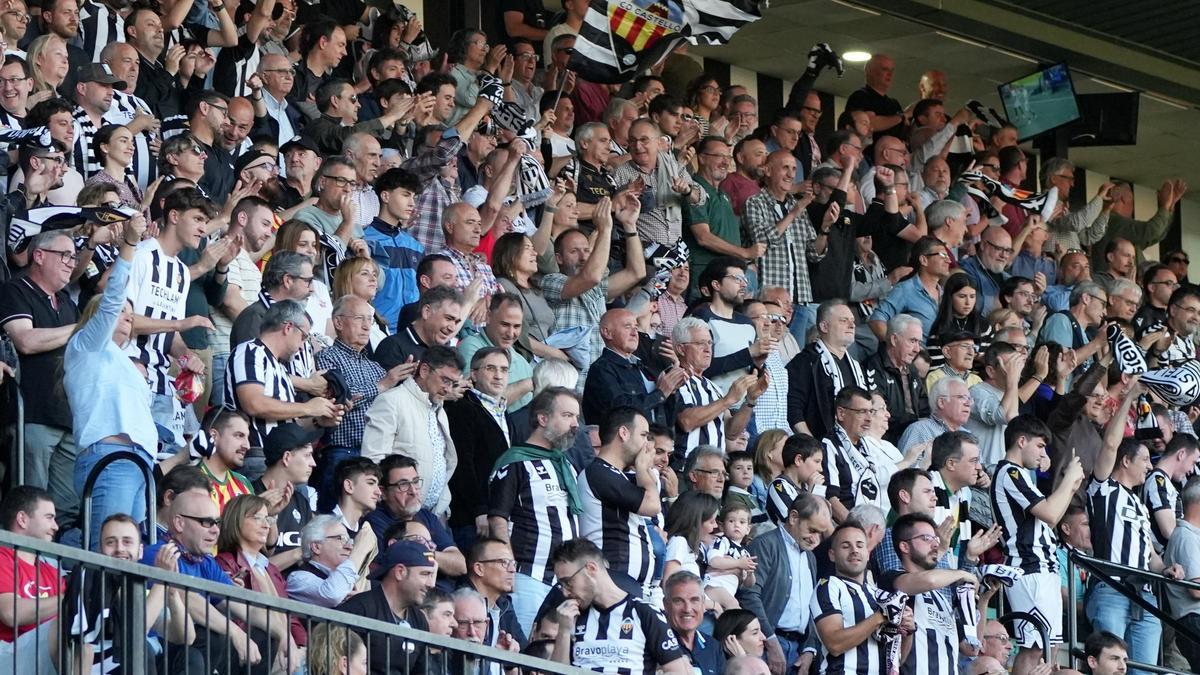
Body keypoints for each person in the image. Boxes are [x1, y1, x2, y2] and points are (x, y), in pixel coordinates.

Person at [1087, 380, 1184, 675]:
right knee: (1109, 668)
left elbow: (1149, 557)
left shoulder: (1140, 504)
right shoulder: (1103, 488)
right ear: (1126, 460)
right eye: (1144, 460)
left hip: (1145, 593)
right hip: (1112, 588)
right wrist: (1130, 397)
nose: (1149, 466)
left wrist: (1166, 568)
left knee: (1144, 670)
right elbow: (1110, 444)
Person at [991, 414, 1084, 673]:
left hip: (1044, 567)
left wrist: (1072, 485)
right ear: (1022, 441)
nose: (1043, 453)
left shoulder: (1020, 474)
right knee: (1034, 647)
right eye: (1040, 446)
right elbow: (1051, 514)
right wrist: (1067, 479)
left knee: (1050, 650)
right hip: (1028, 568)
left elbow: (1049, 521)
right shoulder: (1010, 473)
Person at [0, 230, 80, 524]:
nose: (72, 263)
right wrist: (78, 329)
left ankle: (51, 570)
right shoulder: (15, 290)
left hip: (68, 418)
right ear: (39, 255)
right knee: (30, 505)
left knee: (65, 513)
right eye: (65, 255)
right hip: (32, 415)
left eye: (74, 256)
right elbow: (25, 341)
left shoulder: (67, 303)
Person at [489, 386, 582, 634]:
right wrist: (506, 566)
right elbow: (498, 518)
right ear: (543, 419)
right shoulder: (516, 462)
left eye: (576, 417)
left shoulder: (566, 466)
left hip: (565, 581)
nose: (575, 424)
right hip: (529, 576)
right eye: (567, 416)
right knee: (529, 648)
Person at [141, 488, 262, 671]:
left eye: (217, 523)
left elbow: (244, 607)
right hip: (158, 650)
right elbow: (186, 597)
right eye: (207, 522)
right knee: (211, 637)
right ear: (180, 523)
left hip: (186, 648)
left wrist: (285, 635)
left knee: (264, 635)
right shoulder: (160, 554)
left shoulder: (206, 561)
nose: (215, 531)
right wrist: (236, 632)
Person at [62, 513, 195, 674]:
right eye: (111, 542)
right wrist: (162, 580)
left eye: (127, 542)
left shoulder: (141, 594)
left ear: (140, 551)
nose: (119, 549)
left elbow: (186, 636)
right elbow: (137, 631)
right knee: (142, 650)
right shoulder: (90, 581)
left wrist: (172, 591)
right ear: (100, 550)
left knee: (190, 657)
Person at [549, 538, 690, 673]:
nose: (565, 592)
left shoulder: (644, 612)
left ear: (591, 568)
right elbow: (556, 674)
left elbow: (677, 671)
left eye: (568, 582)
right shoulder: (571, 615)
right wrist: (564, 631)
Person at [359, 345, 459, 517]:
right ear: (425, 370)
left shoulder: (440, 411)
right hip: (395, 514)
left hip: (434, 515)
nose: (449, 389)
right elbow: (373, 461)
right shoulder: (391, 401)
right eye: (445, 380)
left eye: (453, 384)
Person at [739, 492, 832, 675]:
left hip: (797, 651)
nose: (816, 539)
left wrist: (809, 649)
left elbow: (810, 605)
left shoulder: (811, 558)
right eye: (812, 530)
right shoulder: (765, 544)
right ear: (794, 517)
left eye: (820, 534)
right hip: (766, 646)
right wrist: (771, 642)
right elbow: (749, 595)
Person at [214, 494, 305, 670]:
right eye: (257, 518)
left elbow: (289, 614)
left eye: (267, 519)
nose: (266, 525)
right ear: (236, 520)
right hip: (255, 650)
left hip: (285, 649)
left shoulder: (271, 568)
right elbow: (238, 617)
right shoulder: (224, 563)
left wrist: (301, 645)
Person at [880, 512, 977, 675]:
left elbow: (971, 648)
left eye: (935, 539)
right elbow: (929, 580)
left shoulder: (941, 597)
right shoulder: (892, 579)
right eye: (926, 539)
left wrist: (984, 599)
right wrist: (962, 573)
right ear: (904, 546)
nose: (935, 545)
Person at [578, 407, 660, 593]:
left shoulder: (617, 475)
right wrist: (642, 468)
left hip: (629, 584)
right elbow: (652, 505)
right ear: (623, 433)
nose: (648, 445)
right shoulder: (599, 472)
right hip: (613, 579)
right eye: (644, 435)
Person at [812, 523, 911, 675]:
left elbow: (897, 660)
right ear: (832, 554)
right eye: (846, 546)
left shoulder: (879, 594)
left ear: (868, 552)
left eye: (859, 545)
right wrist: (882, 616)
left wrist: (907, 630)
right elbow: (834, 644)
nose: (854, 551)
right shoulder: (828, 585)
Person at [336, 540, 437, 675]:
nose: (431, 584)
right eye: (425, 574)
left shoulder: (419, 620)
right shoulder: (359, 609)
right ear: (400, 572)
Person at [672, 317, 763, 465]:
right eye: (700, 343)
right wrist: (728, 400)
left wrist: (750, 401)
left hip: (714, 471)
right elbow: (687, 421)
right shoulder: (674, 377)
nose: (708, 349)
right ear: (681, 349)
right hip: (687, 470)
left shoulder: (712, 386)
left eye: (709, 343)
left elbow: (731, 432)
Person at [363, 454, 467, 579]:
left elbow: (460, 565)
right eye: (403, 485)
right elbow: (395, 566)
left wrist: (425, 551)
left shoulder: (427, 516)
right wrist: (433, 555)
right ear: (383, 492)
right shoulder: (374, 521)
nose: (413, 491)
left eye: (416, 482)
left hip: (443, 592)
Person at [583, 307, 687, 428]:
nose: (634, 333)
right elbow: (620, 412)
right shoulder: (601, 369)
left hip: (653, 442)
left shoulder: (642, 367)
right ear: (607, 333)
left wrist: (672, 390)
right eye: (627, 327)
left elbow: (668, 418)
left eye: (636, 327)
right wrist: (661, 393)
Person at [0, 486, 64, 674]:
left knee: (84, 645)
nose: (56, 526)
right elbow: (10, 613)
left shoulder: (51, 571)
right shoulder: (2, 557)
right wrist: (65, 600)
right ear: (22, 519)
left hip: (41, 659)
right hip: (6, 655)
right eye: (49, 518)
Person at [788, 300, 872, 440]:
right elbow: (793, 409)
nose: (852, 325)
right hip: (820, 447)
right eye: (843, 320)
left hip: (854, 446)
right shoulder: (805, 362)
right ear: (824, 326)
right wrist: (813, 446)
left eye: (852, 321)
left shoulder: (857, 366)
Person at [254, 421, 321, 572]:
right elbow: (251, 566)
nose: (314, 463)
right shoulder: (250, 495)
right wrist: (299, 552)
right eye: (308, 455)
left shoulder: (301, 502)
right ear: (287, 458)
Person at [822, 385, 885, 521]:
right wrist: (856, 529)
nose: (869, 418)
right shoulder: (829, 446)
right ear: (841, 413)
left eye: (871, 412)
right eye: (862, 412)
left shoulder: (867, 447)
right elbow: (830, 499)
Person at [864, 314, 928, 443]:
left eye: (919, 342)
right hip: (886, 441)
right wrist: (914, 426)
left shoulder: (912, 369)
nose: (917, 349)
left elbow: (924, 408)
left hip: (913, 437)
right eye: (912, 341)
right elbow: (878, 413)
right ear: (894, 339)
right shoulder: (873, 367)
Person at [287, 514, 375, 608]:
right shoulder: (297, 579)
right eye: (340, 538)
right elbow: (333, 595)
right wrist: (360, 550)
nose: (349, 547)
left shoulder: (345, 579)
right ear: (316, 547)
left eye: (349, 540)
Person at [664, 571, 726, 675]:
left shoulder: (714, 647)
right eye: (678, 601)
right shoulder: (654, 644)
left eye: (694, 600)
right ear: (665, 605)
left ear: (703, 604)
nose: (687, 609)